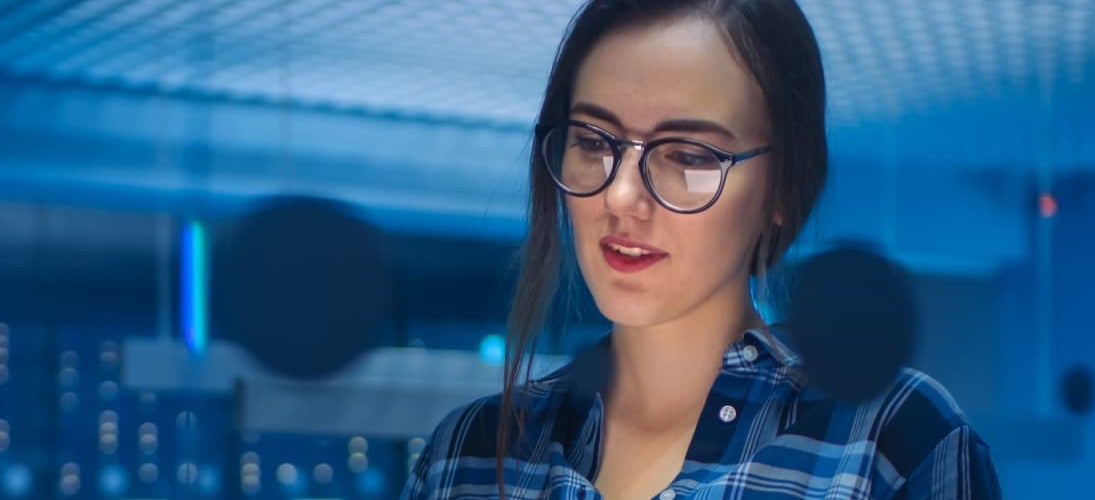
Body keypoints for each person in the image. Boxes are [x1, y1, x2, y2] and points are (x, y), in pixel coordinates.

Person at [402, 0, 1001, 498]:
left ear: (781, 189)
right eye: (594, 141)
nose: (622, 196)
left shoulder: (888, 440)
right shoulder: (469, 456)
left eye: (688, 156)